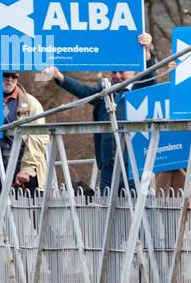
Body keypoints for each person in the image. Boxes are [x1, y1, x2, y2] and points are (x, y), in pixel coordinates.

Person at [42, 33, 155, 193]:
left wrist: (147, 52)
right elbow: (83, 91)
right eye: (113, 72)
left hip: (135, 165)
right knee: (106, 209)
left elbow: (151, 76)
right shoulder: (105, 94)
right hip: (109, 165)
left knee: (138, 209)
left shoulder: (142, 91)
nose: (116, 76)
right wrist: (59, 76)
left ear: (134, 69)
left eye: (121, 71)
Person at [0, 71, 48, 193]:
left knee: (24, 210)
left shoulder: (31, 103)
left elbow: (39, 139)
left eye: (14, 76)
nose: (9, 79)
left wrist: (26, 170)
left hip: (21, 169)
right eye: (5, 75)